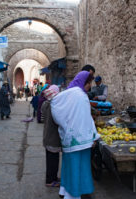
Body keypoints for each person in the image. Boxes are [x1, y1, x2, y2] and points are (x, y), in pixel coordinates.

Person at [51, 71, 99, 199]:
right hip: (81, 140)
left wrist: (65, 127)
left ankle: (64, 191)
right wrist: (94, 135)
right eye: (89, 83)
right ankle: (74, 195)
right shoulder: (81, 95)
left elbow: (55, 105)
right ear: (84, 82)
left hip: (69, 138)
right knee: (79, 167)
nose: (89, 86)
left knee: (69, 167)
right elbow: (86, 119)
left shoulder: (68, 93)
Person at [41, 85, 61, 188]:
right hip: (52, 137)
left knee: (52, 159)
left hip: (47, 136)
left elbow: (43, 117)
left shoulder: (45, 104)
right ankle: (50, 180)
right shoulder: (53, 105)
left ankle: (53, 178)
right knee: (53, 161)